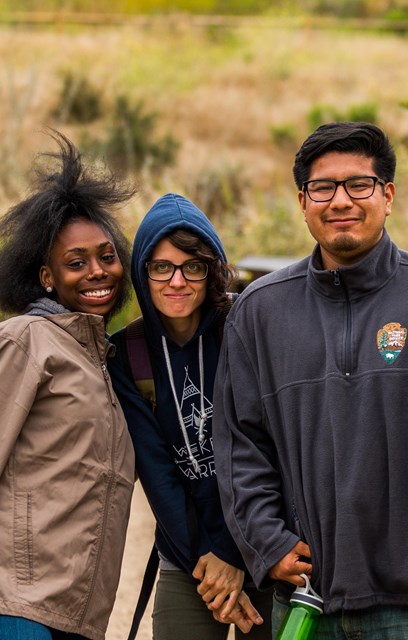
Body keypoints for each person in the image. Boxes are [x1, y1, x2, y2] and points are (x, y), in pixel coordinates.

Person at [211, 121, 408, 639]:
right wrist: (267, 541)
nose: (341, 200)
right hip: (305, 598)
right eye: (324, 187)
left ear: (388, 196)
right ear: (302, 200)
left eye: (358, 185)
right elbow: (239, 444)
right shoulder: (259, 312)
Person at [108, 193, 271, 639]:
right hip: (190, 556)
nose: (176, 280)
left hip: (267, 542)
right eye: (161, 266)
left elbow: (270, 449)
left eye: (192, 266)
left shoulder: (243, 327)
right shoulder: (128, 354)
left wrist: (235, 554)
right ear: (143, 272)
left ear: (211, 269)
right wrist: (211, 562)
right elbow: (158, 473)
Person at [0, 132, 135, 640]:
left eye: (106, 256)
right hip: (19, 609)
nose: (97, 272)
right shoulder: (25, 340)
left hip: (79, 616)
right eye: (76, 263)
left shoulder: (102, 359)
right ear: (47, 277)